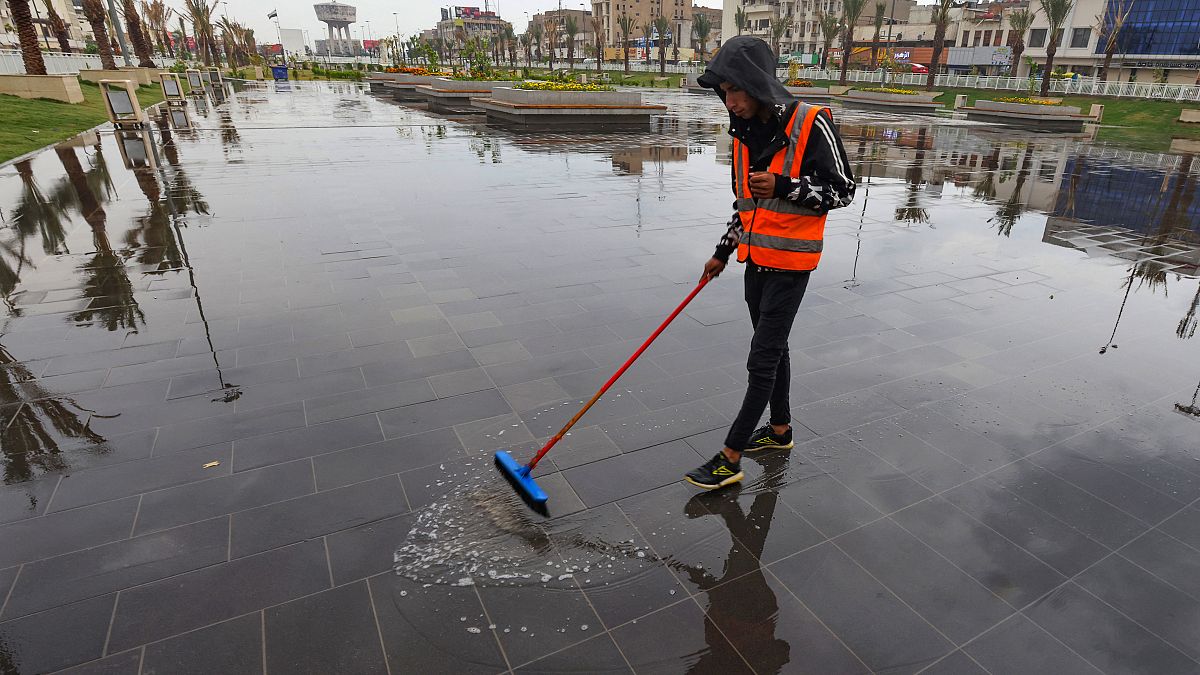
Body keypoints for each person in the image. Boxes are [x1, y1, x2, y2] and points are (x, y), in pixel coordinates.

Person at [685, 36, 855, 490]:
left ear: (757, 84)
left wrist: (783, 185)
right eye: (723, 92)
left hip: (792, 266)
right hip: (755, 262)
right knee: (773, 348)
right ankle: (780, 432)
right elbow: (744, 204)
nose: (731, 101)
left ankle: (730, 456)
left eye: (736, 89)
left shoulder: (811, 123)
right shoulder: (742, 139)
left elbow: (842, 192)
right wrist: (722, 252)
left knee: (761, 360)